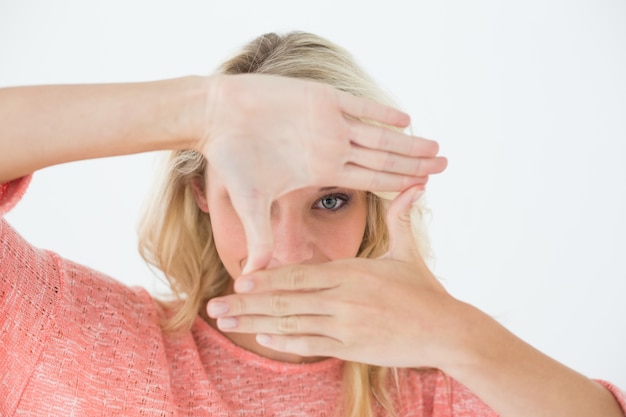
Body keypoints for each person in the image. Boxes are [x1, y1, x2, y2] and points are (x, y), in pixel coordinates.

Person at [0, 31, 623, 417]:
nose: (291, 251)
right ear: (202, 194)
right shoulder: (70, 334)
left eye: (331, 201)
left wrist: (457, 335)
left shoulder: (438, 389)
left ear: (375, 207)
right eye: (256, 197)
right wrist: (203, 109)